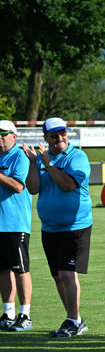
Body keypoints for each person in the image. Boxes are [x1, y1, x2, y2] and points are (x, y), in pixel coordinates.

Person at [23, 118, 92, 337]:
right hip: (50, 227)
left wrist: (48, 164)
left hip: (74, 226)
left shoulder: (77, 157)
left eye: (63, 133)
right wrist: (34, 163)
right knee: (57, 276)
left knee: (67, 273)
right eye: (54, 135)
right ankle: (75, 319)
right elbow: (33, 188)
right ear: (45, 138)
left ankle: (73, 320)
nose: (60, 138)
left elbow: (68, 184)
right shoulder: (42, 160)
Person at [0, 120, 33, 332]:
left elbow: (18, 186)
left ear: (14, 136)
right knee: (2, 270)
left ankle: (25, 314)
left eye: (3, 133)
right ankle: (8, 313)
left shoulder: (18, 156)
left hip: (15, 223)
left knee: (21, 270)